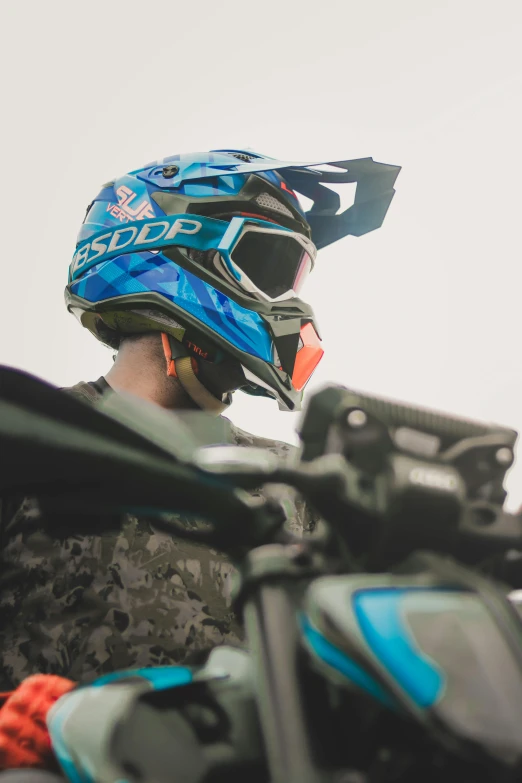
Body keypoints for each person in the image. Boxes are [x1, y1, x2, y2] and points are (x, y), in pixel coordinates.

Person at [0, 149, 400, 692]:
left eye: (294, 284)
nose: (289, 305)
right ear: (173, 248)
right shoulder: (28, 432)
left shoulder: (296, 480)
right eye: (268, 268)